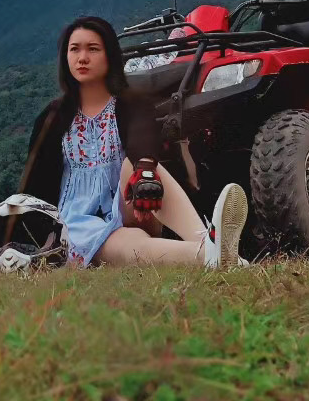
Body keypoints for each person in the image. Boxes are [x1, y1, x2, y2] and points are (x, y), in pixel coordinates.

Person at [19, 15, 248, 268]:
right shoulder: (52, 117)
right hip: (77, 222)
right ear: (65, 57)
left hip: (132, 204)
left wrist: (145, 171)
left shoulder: (131, 102)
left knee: (142, 167)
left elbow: (143, 138)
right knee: (132, 243)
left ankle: (204, 239)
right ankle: (214, 258)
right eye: (74, 49)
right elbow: (35, 184)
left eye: (93, 49)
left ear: (110, 56)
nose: (82, 57)